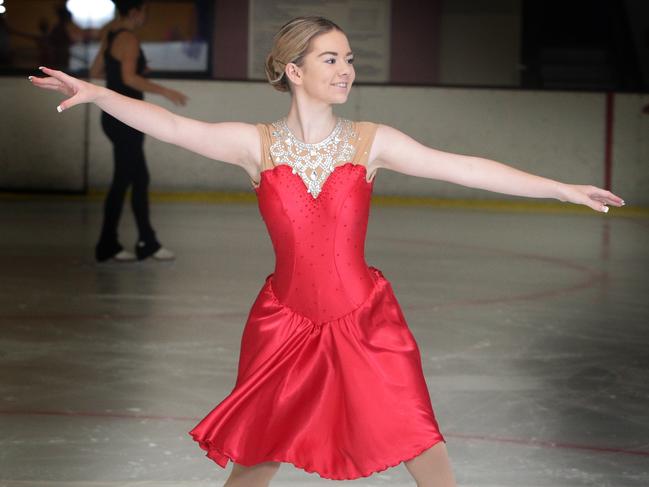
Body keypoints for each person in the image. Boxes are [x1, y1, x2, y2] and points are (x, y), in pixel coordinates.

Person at [29, 15, 624, 487]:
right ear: (294, 69)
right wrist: (94, 92)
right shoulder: (253, 146)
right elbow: (172, 127)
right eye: (331, 59)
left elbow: (463, 167)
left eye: (350, 59)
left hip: (366, 320)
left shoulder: (372, 143)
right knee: (258, 456)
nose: (346, 70)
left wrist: (559, 187)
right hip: (284, 324)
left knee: (420, 439)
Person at [88, 0, 187, 262]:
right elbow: (129, 79)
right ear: (135, 12)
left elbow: (96, 70)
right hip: (127, 117)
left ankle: (145, 241)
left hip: (113, 116)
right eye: (145, 12)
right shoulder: (129, 38)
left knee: (137, 179)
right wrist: (165, 90)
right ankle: (111, 244)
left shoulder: (111, 35)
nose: (145, 17)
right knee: (126, 180)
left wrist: (129, 73)